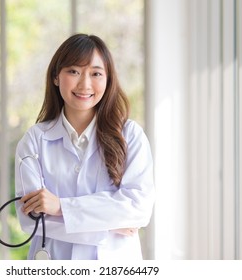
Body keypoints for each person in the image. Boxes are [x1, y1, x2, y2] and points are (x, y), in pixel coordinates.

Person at [15, 33, 155, 260]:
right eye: (73, 71)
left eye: (96, 73)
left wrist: (60, 207)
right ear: (56, 77)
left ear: (108, 80)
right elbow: (30, 221)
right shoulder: (34, 140)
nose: (85, 84)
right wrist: (108, 226)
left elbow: (138, 209)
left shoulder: (131, 135)